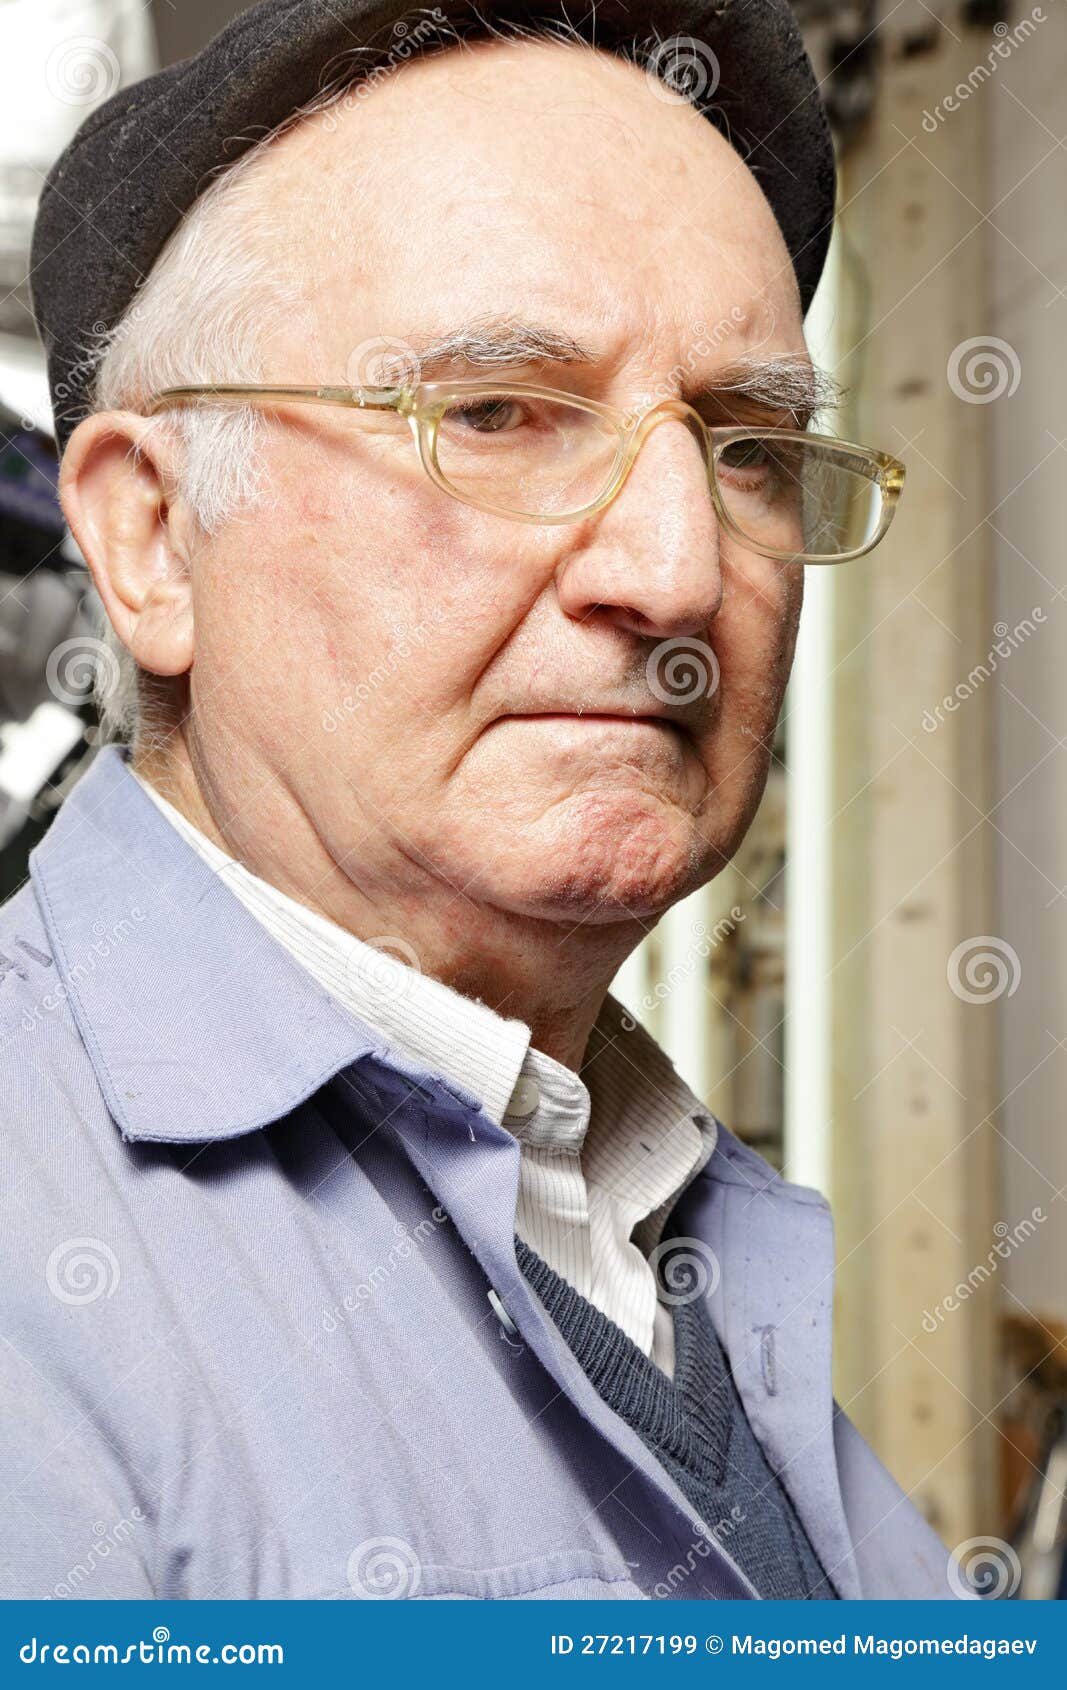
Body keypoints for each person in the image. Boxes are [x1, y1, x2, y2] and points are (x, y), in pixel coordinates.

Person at [2, 0, 948, 1600]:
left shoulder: (636, 1186)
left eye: (747, 444)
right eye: (498, 414)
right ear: (154, 539)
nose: (675, 573)